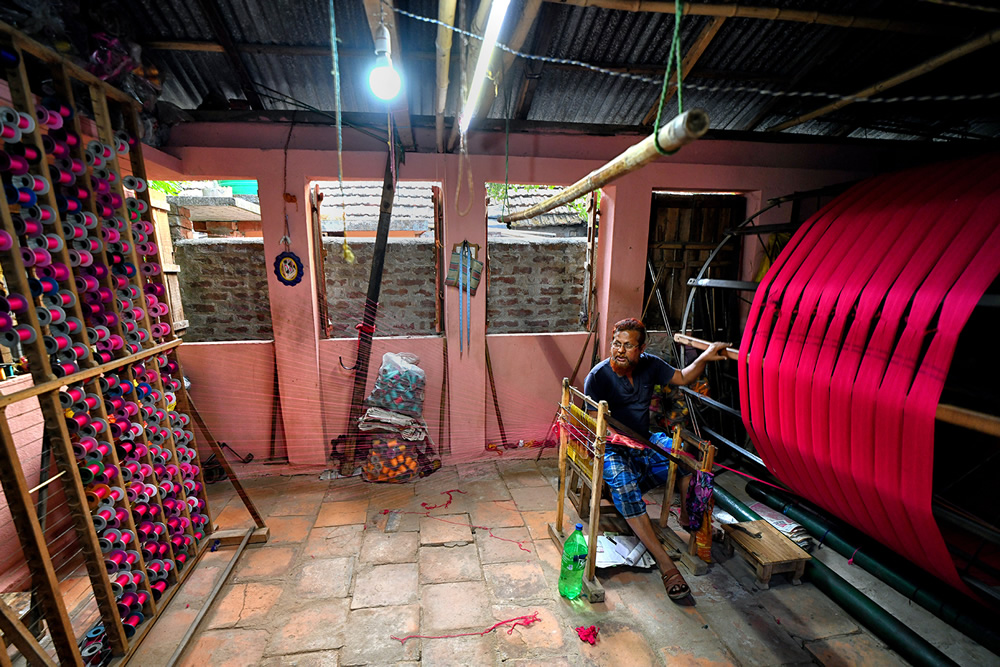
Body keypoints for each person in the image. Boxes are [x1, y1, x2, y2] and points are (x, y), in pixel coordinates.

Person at [583, 318, 728, 601]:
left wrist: (705, 357)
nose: (620, 351)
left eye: (627, 345)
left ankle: (687, 519)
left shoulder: (651, 365)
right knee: (624, 485)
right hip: (611, 445)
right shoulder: (598, 377)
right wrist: (616, 436)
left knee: (686, 460)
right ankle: (666, 564)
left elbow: (684, 377)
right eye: (616, 343)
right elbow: (591, 418)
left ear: (641, 348)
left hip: (643, 440)